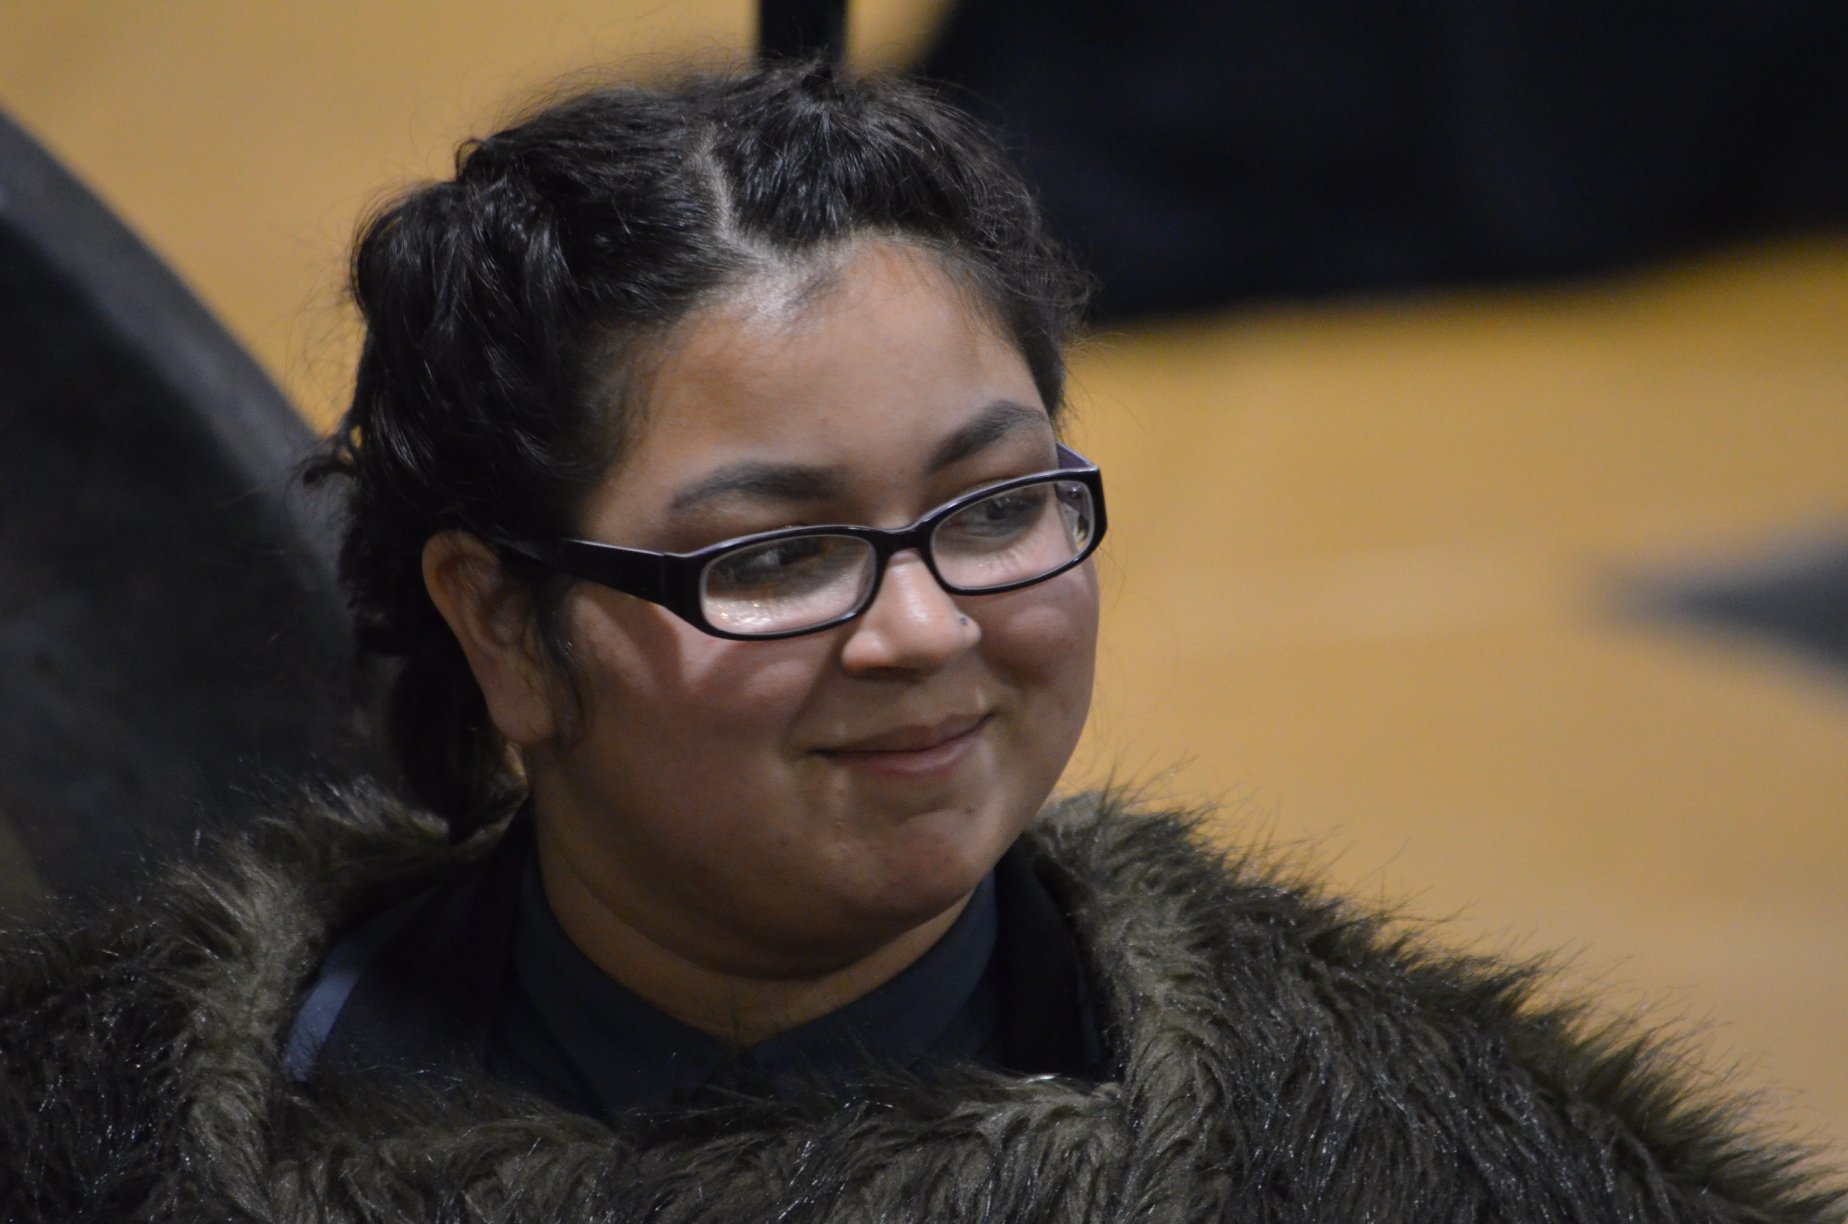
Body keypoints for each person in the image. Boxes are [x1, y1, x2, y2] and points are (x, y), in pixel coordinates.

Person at [0, 59, 1839, 1223]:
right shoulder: (117, 1137)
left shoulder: (1405, 1157)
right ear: (501, 621)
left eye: (996, 506)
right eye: (780, 552)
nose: (923, 628)